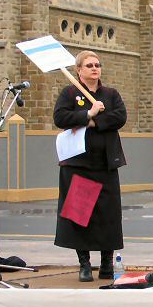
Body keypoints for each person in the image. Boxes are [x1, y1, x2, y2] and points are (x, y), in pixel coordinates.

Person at [53, 50, 127, 282]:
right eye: (89, 65)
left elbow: (119, 117)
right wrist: (87, 113)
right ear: (79, 70)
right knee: (79, 215)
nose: (95, 68)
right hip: (79, 164)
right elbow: (60, 118)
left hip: (105, 164)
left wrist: (94, 120)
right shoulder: (70, 93)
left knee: (108, 215)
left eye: (97, 64)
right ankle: (84, 265)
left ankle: (107, 264)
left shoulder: (110, 94)